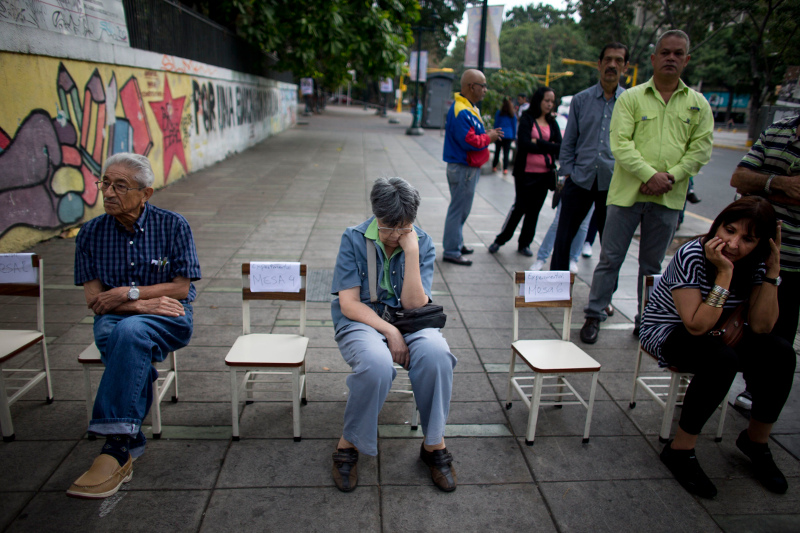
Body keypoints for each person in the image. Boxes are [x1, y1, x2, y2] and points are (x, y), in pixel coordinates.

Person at [639, 197, 794, 498]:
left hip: (725, 333)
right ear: (718, 224)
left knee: (781, 352)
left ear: (762, 243)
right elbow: (696, 325)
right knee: (720, 359)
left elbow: (762, 326)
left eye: (747, 239)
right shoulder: (694, 254)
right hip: (671, 331)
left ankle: (756, 442)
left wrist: (773, 272)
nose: (733, 244)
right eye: (729, 230)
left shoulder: (760, 261)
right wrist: (724, 273)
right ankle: (680, 450)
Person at [68, 153, 200, 499]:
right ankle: (124, 443)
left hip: (168, 315)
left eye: (120, 186)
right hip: (118, 317)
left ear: (146, 193)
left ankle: (114, 448)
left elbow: (181, 288)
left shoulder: (173, 225)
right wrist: (140, 304)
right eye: (105, 183)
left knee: (126, 334)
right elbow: (95, 299)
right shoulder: (91, 234)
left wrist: (128, 292)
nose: (108, 193)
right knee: (126, 336)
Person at [580, 30, 714, 344]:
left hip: (668, 198)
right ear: (653, 59)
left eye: (678, 53)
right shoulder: (631, 98)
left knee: (652, 265)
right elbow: (620, 143)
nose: (671, 58)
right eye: (665, 52)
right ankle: (594, 314)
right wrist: (648, 175)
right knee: (610, 259)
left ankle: (647, 320)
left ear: (687, 60)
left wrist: (671, 177)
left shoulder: (698, 104)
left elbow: (700, 150)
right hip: (626, 195)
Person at [330, 177, 458, 493]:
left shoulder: (420, 241)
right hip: (363, 321)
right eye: (389, 228)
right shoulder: (354, 238)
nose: (395, 236)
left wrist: (411, 252)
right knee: (375, 363)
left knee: (437, 354)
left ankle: (433, 445)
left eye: (404, 228)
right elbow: (348, 303)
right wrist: (388, 331)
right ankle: (349, 443)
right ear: (376, 215)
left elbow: (415, 304)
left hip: (410, 319)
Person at [729, 113, 800, 410]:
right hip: (754, 253)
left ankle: (763, 398)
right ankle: (751, 388)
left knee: (780, 334)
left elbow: (751, 184)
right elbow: (739, 178)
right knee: (741, 322)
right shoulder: (780, 129)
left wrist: (764, 187)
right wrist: (782, 184)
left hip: (794, 259)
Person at [550, 42, 628, 272]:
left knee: (611, 245)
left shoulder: (630, 103)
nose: (612, 65)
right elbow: (569, 141)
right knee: (563, 237)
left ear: (625, 66)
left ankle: (604, 298)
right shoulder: (581, 100)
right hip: (580, 178)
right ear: (599, 64)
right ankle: (556, 288)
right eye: (608, 60)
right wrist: (567, 174)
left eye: (618, 61)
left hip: (613, 183)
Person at [488, 86, 561, 257]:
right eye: (546, 100)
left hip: (545, 174)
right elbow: (525, 144)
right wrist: (547, 146)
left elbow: (560, 147)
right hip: (525, 174)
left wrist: (540, 143)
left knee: (534, 211)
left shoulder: (552, 122)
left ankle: (525, 243)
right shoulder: (527, 119)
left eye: (552, 101)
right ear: (539, 100)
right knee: (519, 207)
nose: (550, 104)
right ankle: (500, 239)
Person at [442, 69, 504, 266]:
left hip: (466, 168)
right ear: (471, 86)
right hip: (463, 168)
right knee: (458, 210)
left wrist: (486, 133)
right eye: (483, 85)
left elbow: (471, 135)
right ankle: (451, 250)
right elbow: (469, 141)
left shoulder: (467, 107)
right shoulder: (462, 110)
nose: (485, 89)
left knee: (461, 209)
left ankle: (457, 244)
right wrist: (489, 137)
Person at [530, 203, 594, 274]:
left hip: (592, 193)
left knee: (583, 226)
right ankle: (541, 258)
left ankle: (573, 258)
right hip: (570, 193)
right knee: (557, 223)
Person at [492, 97, 517, 174]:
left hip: (499, 134)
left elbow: (496, 124)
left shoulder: (499, 113)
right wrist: (513, 136)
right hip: (508, 135)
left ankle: (494, 166)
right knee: (506, 153)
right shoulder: (512, 114)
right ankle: (505, 169)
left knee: (497, 151)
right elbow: (514, 126)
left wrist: (494, 133)